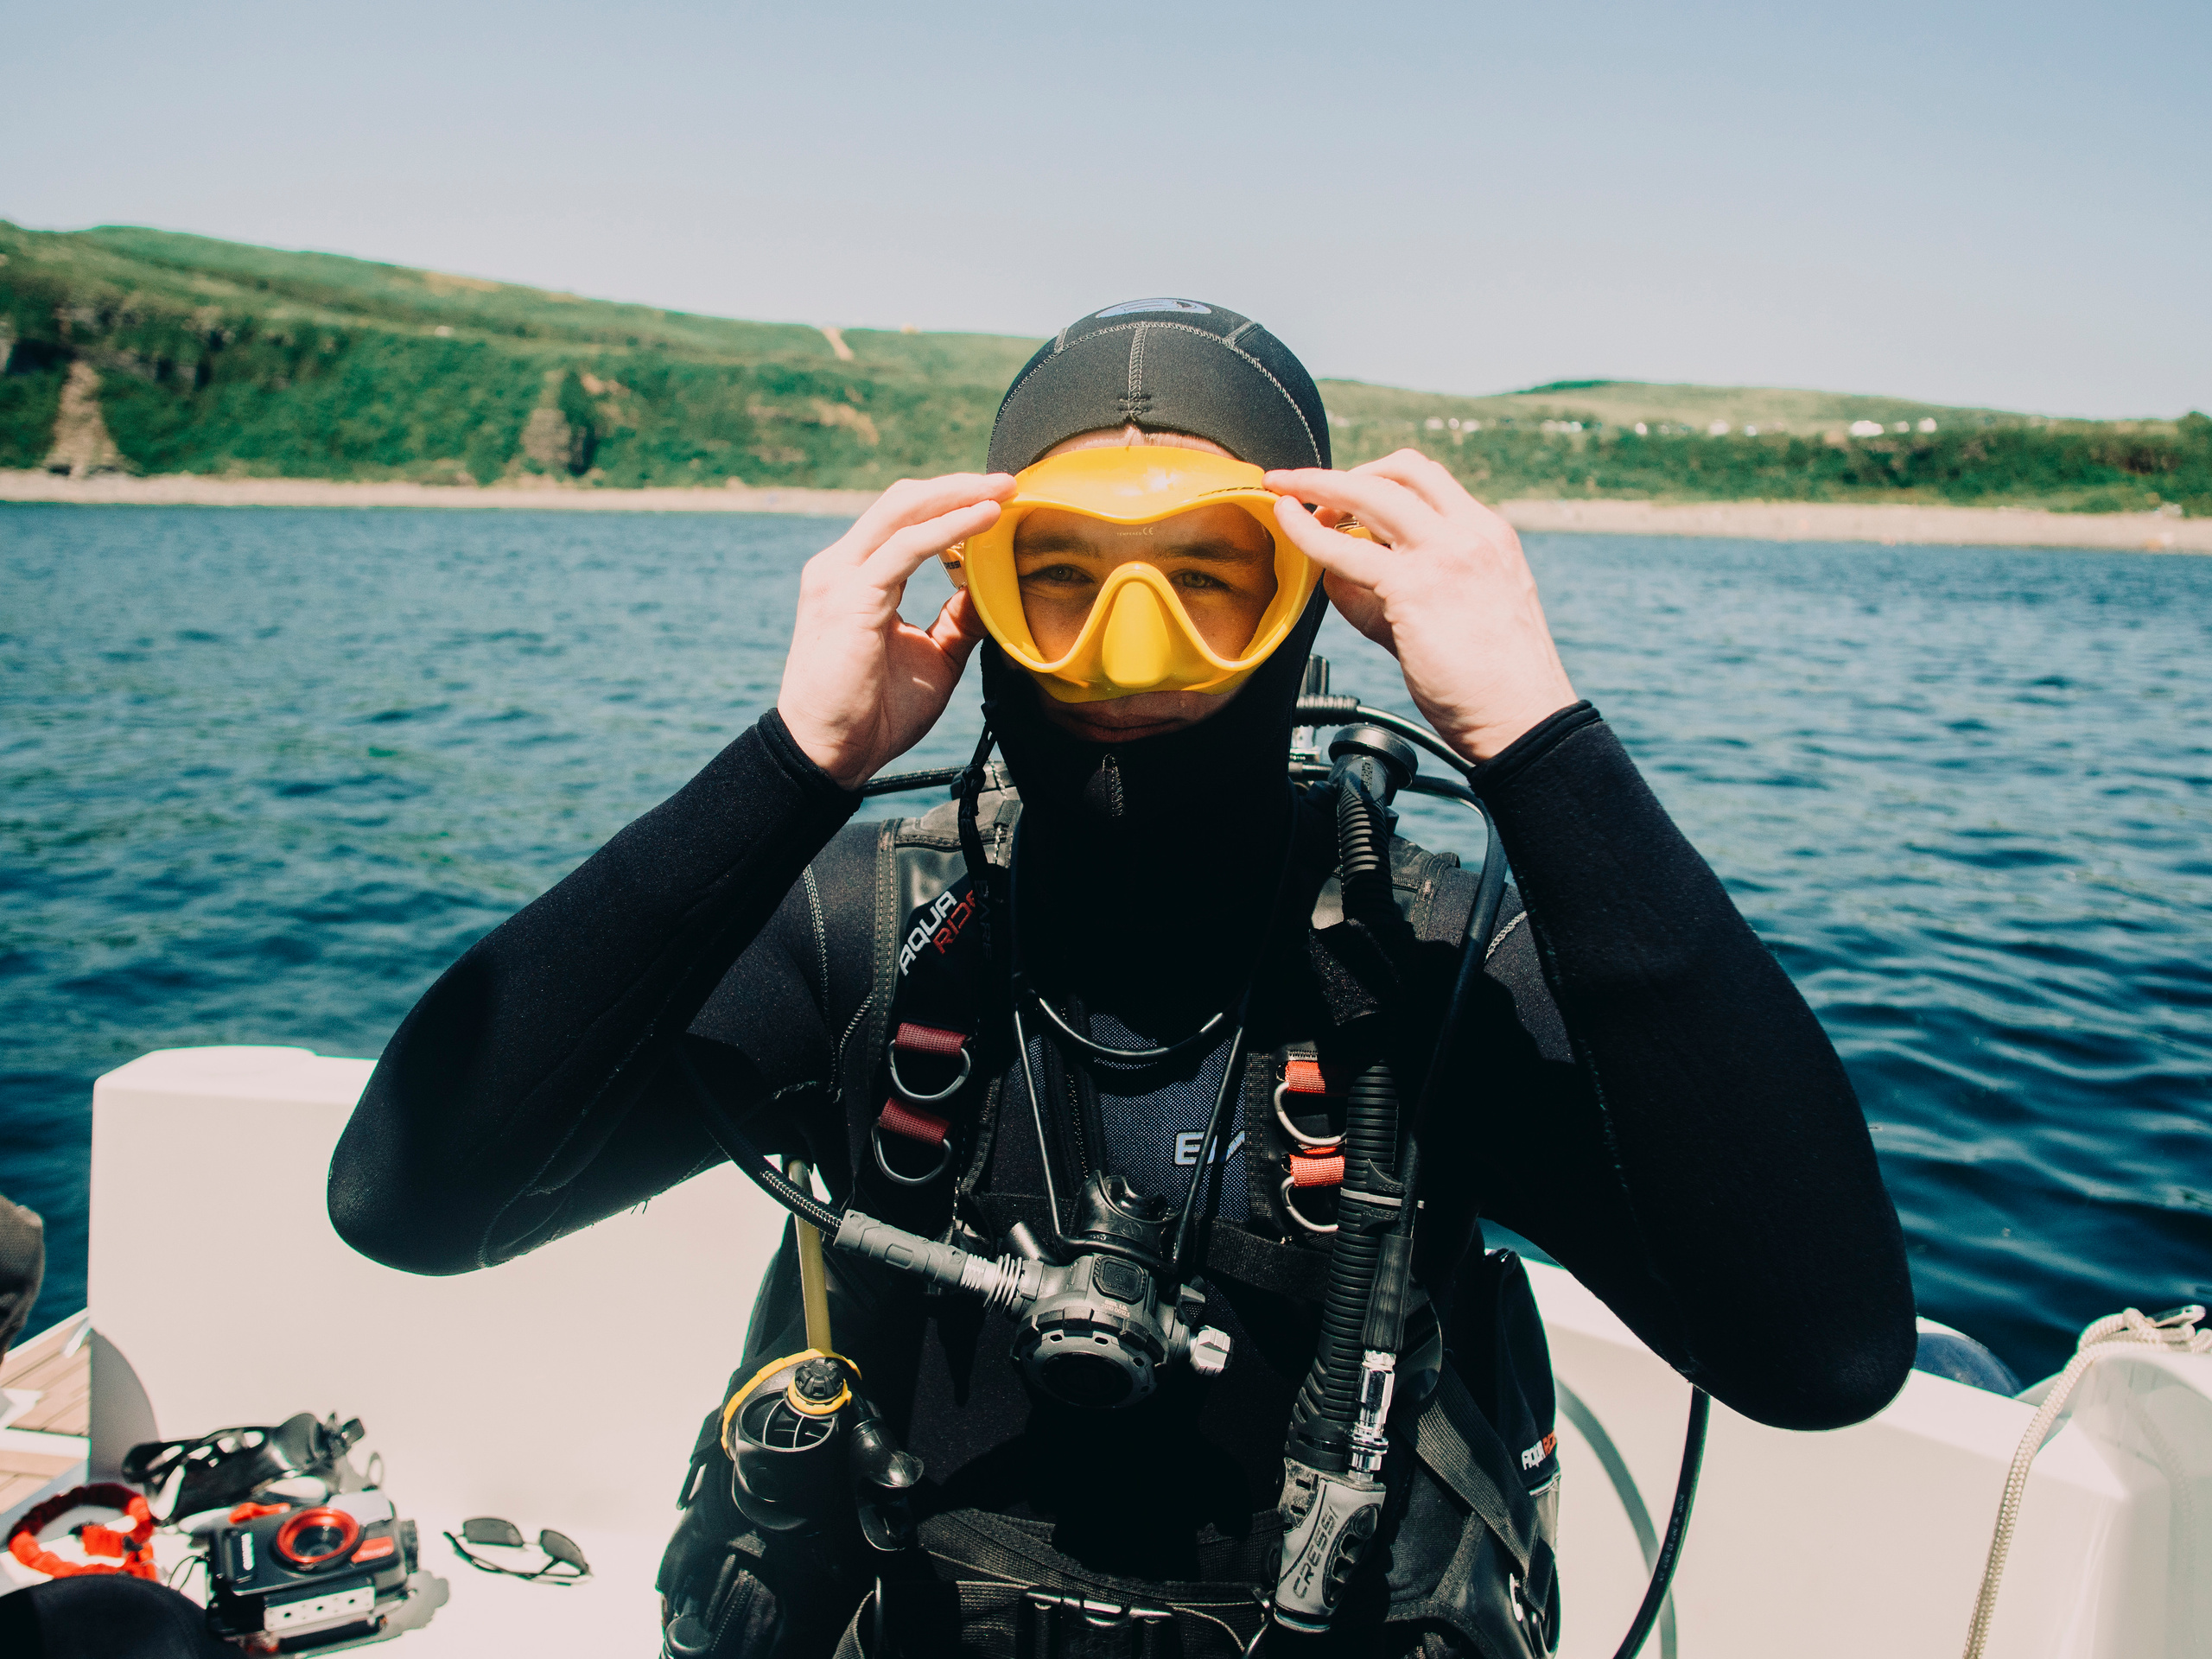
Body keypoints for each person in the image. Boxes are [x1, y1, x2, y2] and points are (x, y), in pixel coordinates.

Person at [328, 300, 1916, 1656]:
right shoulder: (867, 933)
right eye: (1063, 576)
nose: (1129, 649)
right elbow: (409, 1197)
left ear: (1306, 600)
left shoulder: (1432, 965)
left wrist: (1535, 739)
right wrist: (798, 761)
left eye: (1208, 577)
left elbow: (1819, 1353)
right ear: (981, 595)